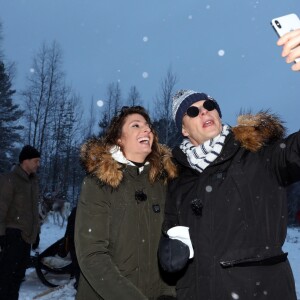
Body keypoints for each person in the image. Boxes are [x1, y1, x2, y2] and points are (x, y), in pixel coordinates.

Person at [158, 30, 300, 299]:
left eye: (209, 104)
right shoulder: (177, 180)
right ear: (184, 130)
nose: (204, 111)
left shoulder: (260, 155)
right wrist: (170, 252)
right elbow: (173, 241)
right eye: (192, 111)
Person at [74, 106, 178, 300]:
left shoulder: (162, 184)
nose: (147, 130)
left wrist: (168, 292)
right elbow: (92, 255)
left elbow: (168, 248)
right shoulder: (99, 182)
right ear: (119, 139)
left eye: (148, 126)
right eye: (136, 125)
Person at [0, 145, 41, 300]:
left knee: (18, 277)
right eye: (36, 161)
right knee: (5, 278)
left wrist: (36, 233)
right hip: (12, 235)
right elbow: (1, 208)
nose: (38, 164)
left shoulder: (33, 182)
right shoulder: (9, 180)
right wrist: (1, 235)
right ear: (26, 161)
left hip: (26, 237)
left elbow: (32, 211)